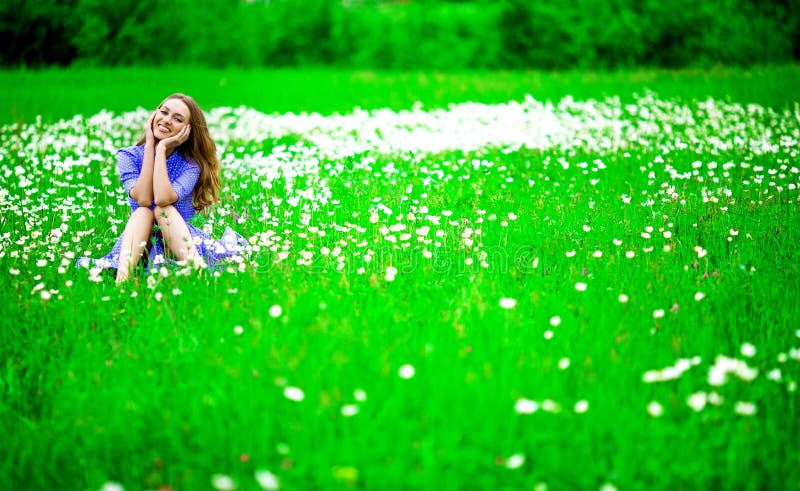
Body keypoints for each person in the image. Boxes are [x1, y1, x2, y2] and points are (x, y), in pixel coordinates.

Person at [76, 93, 246, 282]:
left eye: (177, 119)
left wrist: (162, 148)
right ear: (154, 114)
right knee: (143, 212)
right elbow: (143, 199)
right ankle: (122, 283)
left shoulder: (190, 165)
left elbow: (164, 199)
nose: (166, 120)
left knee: (163, 210)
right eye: (164, 112)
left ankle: (197, 272)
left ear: (187, 130)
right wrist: (150, 146)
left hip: (178, 242)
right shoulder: (128, 156)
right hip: (140, 242)